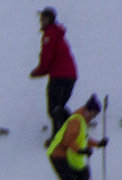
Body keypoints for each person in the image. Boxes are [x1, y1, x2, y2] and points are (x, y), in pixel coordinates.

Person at [45, 93, 107, 180]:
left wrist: (98, 143)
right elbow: (69, 140)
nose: (94, 117)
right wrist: (81, 150)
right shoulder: (76, 120)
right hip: (57, 155)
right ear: (87, 110)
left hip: (65, 155)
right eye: (94, 114)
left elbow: (82, 139)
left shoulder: (82, 121)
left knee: (83, 173)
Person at [29, 7, 78, 141]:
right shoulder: (57, 33)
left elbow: (47, 56)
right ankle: (74, 130)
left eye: (43, 17)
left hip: (59, 76)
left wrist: (38, 71)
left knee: (54, 108)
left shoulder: (50, 34)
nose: (40, 20)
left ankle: (58, 138)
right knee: (60, 107)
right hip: (71, 75)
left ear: (49, 19)